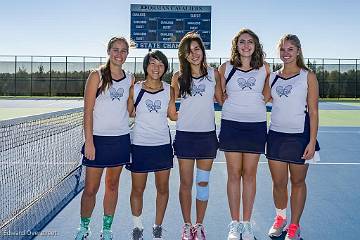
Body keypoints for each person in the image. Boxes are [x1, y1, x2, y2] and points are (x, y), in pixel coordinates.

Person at [75, 37, 133, 240]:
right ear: (108, 51)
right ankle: (83, 228)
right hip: (97, 141)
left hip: (120, 140)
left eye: (124, 50)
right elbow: (87, 111)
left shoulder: (130, 78)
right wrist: (89, 142)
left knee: (112, 185)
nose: (120, 54)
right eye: (116, 49)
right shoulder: (96, 76)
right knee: (91, 188)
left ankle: (106, 230)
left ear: (128, 53)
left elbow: (129, 109)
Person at [218, 28, 270, 240]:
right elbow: (219, 94)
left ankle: (246, 225)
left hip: (255, 126)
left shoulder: (265, 68)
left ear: (255, 45)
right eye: (242, 42)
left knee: (249, 175)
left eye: (250, 42)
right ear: (236, 45)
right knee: (233, 175)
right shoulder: (226, 67)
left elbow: (267, 95)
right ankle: (234, 224)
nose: (246, 45)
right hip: (231, 125)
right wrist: (230, 106)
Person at [266, 34, 320, 240]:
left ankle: (295, 226)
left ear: (298, 51)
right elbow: (259, 98)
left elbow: (313, 111)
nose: (286, 53)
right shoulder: (272, 77)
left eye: (290, 49)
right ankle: (280, 219)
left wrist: (312, 141)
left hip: (300, 137)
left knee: (298, 182)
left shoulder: (308, 76)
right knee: (279, 183)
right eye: (282, 49)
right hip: (276, 136)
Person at [171, 31, 223, 240]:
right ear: (183, 55)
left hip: (206, 138)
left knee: (202, 183)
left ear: (202, 51)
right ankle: (186, 225)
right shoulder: (178, 77)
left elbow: (222, 98)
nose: (194, 54)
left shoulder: (213, 74)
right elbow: (168, 102)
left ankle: (199, 225)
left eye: (197, 49)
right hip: (185, 137)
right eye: (189, 51)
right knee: (185, 183)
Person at [126, 50, 177, 240]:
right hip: (139, 146)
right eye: (152, 63)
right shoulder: (135, 89)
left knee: (162, 189)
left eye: (161, 64)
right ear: (146, 66)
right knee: (137, 190)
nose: (156, 68)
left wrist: (198, 110)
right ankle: (138, 226)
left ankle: (157, 226)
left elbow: (173, 115)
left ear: (165, 68)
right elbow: (129, 113)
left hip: (162, 146)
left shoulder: (169, 89)